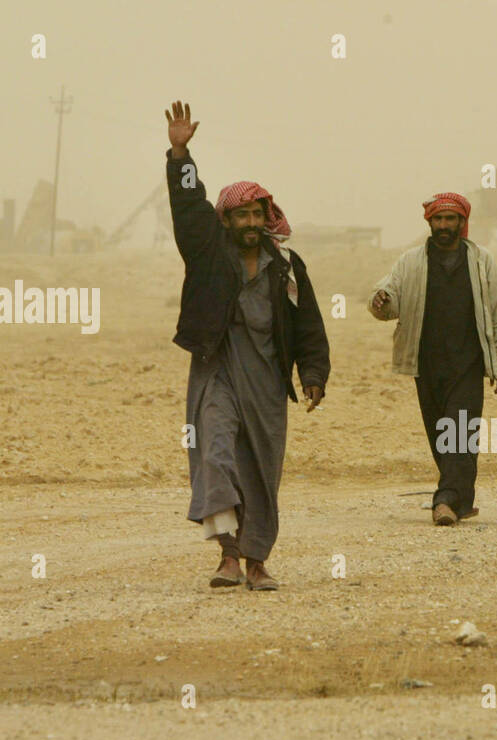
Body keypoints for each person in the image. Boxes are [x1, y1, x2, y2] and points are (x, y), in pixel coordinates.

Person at [163, 101, 330, 590]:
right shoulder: (208, 251)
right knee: (215, 454)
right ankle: (229, 557)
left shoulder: (287, 268)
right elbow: (187, 208)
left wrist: (314, 375)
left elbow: (310, 328)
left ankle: (258, 562)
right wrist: (180, 155)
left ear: (266, 217)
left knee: (260, 471)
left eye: (258, 213)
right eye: (242, 215)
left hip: (267, 382)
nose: (251, 221)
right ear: (228, 220)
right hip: (217, 371)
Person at [368, 193, 497, 526]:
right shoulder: (411, 262)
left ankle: (445, 499)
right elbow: (388, 301)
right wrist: (380, 301)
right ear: (429, 223)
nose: (444, 225)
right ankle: (461, 501)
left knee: (460, 430)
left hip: (468, 363)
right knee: (440, 434)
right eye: (439, 220)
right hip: (427, 363)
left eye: (451, 219)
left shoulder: (482, 261)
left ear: (463, 222)